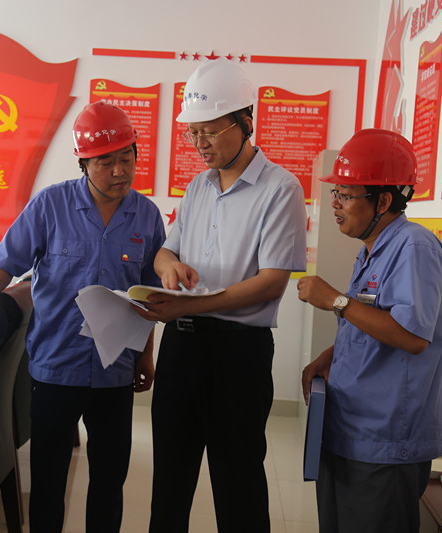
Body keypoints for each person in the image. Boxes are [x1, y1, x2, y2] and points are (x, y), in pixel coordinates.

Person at [0, 101, 166, 533]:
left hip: (115, 371)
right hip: (56, 367)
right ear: (84, 164)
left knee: (109, 482)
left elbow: (147, 298)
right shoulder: (51, 205)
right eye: (106, 162)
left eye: (127, 158)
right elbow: (8, 257)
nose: (120, 171)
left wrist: (145, 354)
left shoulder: (146, 216)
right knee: (48, 483)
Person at [136, 60, 307, 532]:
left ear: (246, 122)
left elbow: (272, 281)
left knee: (238, 484)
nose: (200, 144)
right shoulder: (198, 187)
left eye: (210, 132)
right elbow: (166, 250)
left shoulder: (281, 189)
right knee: (169, 484)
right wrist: (168, 267)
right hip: (182, 348)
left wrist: (190, 303)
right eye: (193, 133)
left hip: (238, 355)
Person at [297, 128, 442, 533]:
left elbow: (412, 336)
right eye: (336, 193)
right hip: (348, 429)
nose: (335, 203)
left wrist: (335, 300)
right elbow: (371, 325)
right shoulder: (371, 251)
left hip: (384, 443)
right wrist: (329, 357)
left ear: (383, 201)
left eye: (346, 195)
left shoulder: (415, 247)